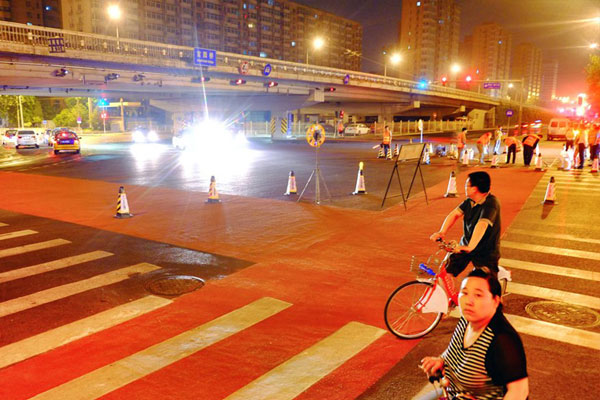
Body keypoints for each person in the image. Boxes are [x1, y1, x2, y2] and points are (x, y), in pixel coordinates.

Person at [419, 269, 529, 400]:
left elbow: (519, 392)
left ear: (496, 301)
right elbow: (454, 350)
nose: (469, 301)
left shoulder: (502, 340)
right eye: (464, 293)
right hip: (453, 393)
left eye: (478, 295)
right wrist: (441, 360)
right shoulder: (467, 319)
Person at [430, 171, 501, 278]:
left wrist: (470, 247)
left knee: (486, 283)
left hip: (485, 251)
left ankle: (495, 294)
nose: (465, 187)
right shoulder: (469, 201)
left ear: (475, 188)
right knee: (445, 272)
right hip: (466, 244)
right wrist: (442, 232)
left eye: (467, 185)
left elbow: (481, 225)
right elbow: (454, 214)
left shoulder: (491, 204)